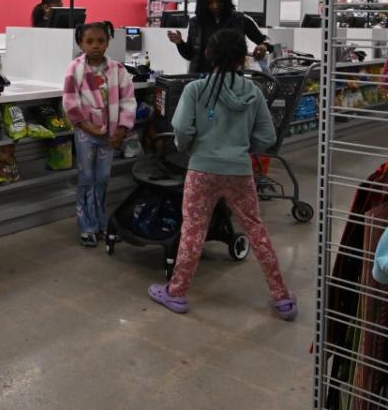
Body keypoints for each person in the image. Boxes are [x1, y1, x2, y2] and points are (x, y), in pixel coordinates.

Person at [149, 29, 297, 320]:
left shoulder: (196, 90)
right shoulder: (253, 92)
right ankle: (282, 298)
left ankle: (176, 293)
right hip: (239, 171)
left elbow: (181, 128)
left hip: (201, 169)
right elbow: (267, 136)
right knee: (255, 228)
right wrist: (241, 148)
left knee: (193, 229)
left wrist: (189, 147)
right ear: (242, 58)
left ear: (208, 54)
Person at [62, 21, 136, 247]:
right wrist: (87, 127)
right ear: (80, 43)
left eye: (101, 41)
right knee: (86, 178)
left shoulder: (118, 70)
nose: (95, 46)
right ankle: (86, 225)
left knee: (103, 178)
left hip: (111, 135)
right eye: (89, 41)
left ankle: (100, 221)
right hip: (86, 133)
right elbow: (70, 102)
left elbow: (128, 100)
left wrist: (122, 130)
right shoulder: (74, 69)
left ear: (108, 42)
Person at [167, 0, 273, 74]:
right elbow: (191, 55)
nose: (215, 5)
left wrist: (264, 46)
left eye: (219, 1)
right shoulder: (196, 22)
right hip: (200, 79)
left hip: (232, 80)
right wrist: (180, 43)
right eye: (210, 2)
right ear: (203, 3)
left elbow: (267, 40)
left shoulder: (241, 19)